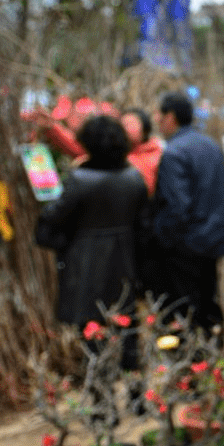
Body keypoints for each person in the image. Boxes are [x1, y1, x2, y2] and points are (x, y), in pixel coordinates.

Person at [35, 115, 150, 335]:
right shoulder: (134, 178)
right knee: (123, 324)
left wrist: (65, 243)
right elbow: (144, 228)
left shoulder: (79, 180)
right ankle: (129, 366)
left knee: (90, 329)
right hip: (125, 265)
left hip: (84, 267)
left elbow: (50, 222)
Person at [149, 91, 224, 342]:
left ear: (170, 118)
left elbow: (177, 206)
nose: (158, 122)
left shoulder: (174, 153)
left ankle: (189, 369)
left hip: (185, 245)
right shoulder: (211, 146)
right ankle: (212, 361)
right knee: (207, 303)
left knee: (183, 310)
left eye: (160, 117)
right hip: (212, 240)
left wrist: (160, 236)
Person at [30, 105, 163, 195]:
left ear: (145, 130)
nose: (124, 128)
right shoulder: (115, 150)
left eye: (130, 124)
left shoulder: (154, 154)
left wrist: (90, 162)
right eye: (122, 124)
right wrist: (53, 127)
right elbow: (81, 149)